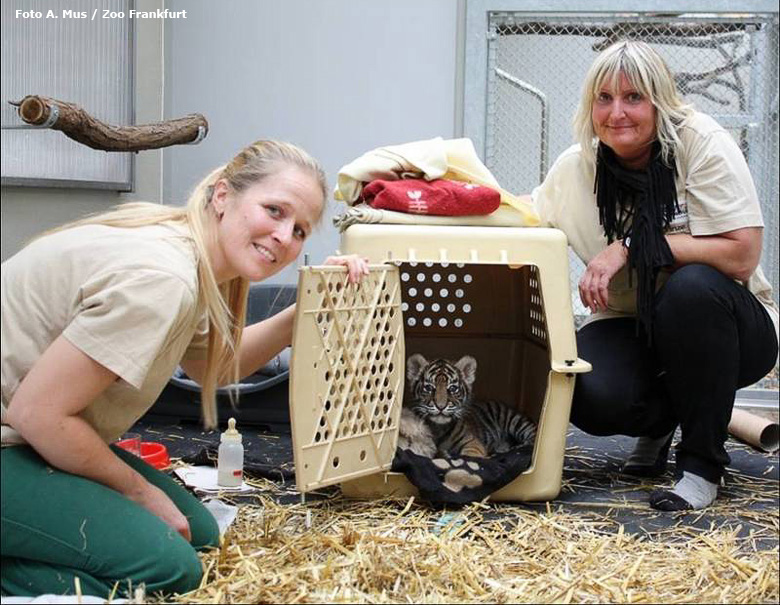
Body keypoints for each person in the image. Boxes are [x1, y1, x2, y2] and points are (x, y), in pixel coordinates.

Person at [0, 139, 369, 597]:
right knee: (171, 569)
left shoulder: (189, 260)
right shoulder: (163, 278)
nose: (284, 236)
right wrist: (140, 493)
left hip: (27, 438)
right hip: (21, 436)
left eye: (299, 231)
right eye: (275, 210)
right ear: (222, 195)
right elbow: (37, 413)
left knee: (202, 535)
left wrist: (305, 310)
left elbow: (216, 366)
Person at [528, 40, 778, 511]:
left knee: (691, 289)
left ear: (659, 101)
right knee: (589, 391)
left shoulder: (700, 142)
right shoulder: (576, 168)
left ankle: (702, 465)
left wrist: (631, 248)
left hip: (729, 327)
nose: (617, 112)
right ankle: (659, 424)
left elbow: (742, 253)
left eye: (633, 97)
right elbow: (518, 217)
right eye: (604, 98)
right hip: (632, 325)